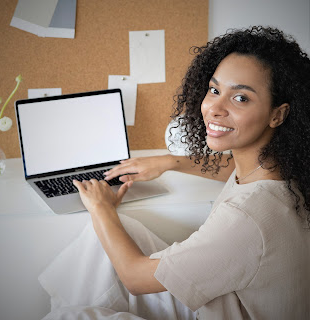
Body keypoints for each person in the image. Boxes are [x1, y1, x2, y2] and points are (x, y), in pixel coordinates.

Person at [39, 26, 310, 319]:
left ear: (277, 114)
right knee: (116, 232)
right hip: (225, 298)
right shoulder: (280, 170)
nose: (214, 108)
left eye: (241, 98)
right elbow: (233, 169)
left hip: (219, 310)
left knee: (73, 311)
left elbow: (135, 278)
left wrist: (101, 207)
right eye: (215, 90)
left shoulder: (248, 217)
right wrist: (169, 162)